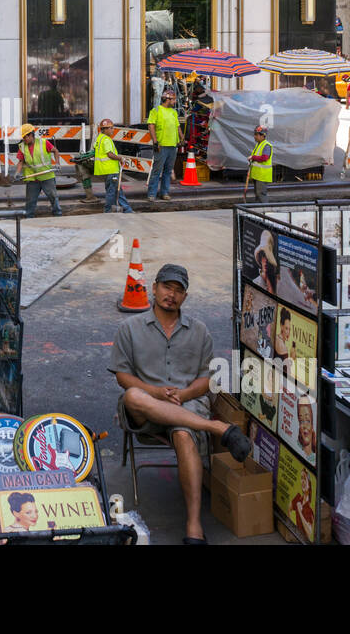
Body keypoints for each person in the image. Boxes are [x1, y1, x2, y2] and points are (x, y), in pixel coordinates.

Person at [110, 264, 252, 545]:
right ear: (154, 288)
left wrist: (182, 396)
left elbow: (205, 379)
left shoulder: (199, 331)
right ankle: (216, 427)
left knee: (185, 435)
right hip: (146, 409)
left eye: (178, 290)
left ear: (185, 297)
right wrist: (156, 393)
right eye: (166, 287)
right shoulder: (130, 328)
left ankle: (194, 526)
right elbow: (123, 376)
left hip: (187, 407)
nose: (171, 295)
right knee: (133, 396)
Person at [12, 124, 62, 218]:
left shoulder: (43, 143)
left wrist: (57, 163)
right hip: (32, 178)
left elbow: (55, 151)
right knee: (30, 200)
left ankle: (58, 214)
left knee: (53, 197)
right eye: (23, 137)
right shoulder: (22, 147)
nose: (25, 139)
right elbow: (20, 161)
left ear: (32, 135)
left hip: (47, 176)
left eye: (26, 136)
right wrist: (17, 173)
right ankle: (29, 217)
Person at [146, 88, 181, 201]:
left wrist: (182, 137)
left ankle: (164, 192)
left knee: (168, 171)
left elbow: (177, 126)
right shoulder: (156, 110)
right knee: (157, 170)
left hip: (172, 145)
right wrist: (155, 141)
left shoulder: (174, 112)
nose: (175, 102)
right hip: (161, 145)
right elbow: (151, 125)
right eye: (174, 100)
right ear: (167, 99)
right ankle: (151, 194)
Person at [93, 118, 133, 213]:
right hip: (111, 169)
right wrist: (120, 158)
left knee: (116, 190)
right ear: (104, 129)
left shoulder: (100, 138)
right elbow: (109, 154)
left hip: (105, 170)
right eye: (110, 128)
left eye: (112, 127)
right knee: (112, 192)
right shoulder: (106, 140)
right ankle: (108, 210)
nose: (112, 130)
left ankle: (127, 209)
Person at [247, 124, 273, 203]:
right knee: (258, 194)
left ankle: (266, 211)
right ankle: (259, 211)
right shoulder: (259, 145)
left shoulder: (266, 145)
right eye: (254, 134)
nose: (254, 136)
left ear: (262, 135)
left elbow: (265, 158)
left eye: (256, 135)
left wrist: (253, 157)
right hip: (257, 175)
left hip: (262, 175)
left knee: (261, 194)